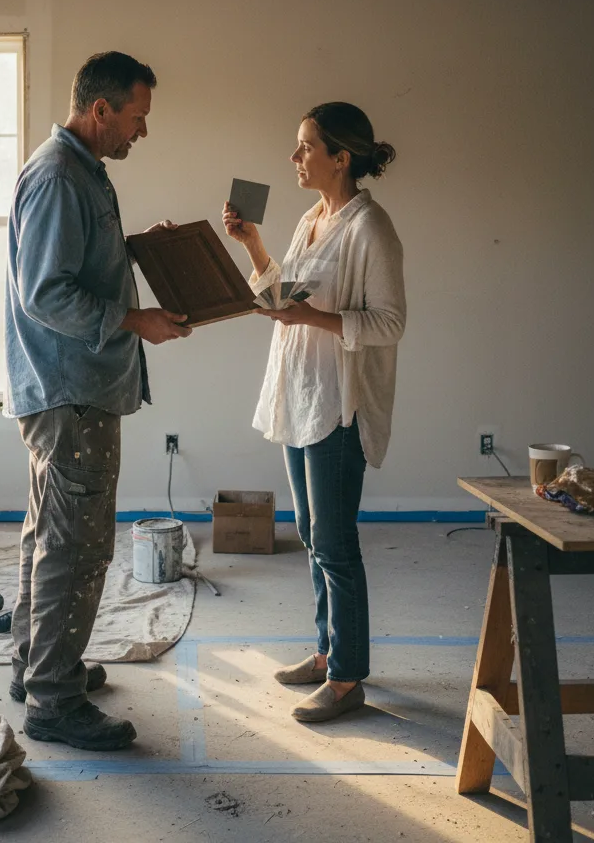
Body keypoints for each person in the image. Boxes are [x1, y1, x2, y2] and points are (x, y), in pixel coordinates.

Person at [5, 50, 190, 751]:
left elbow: (81, 264)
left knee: (47, 534)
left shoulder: (83, 172)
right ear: (101, 110)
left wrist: (143, 250)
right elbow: (46, 292)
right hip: (70, 389)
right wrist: (134, 320)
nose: (141, 132)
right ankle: (54, 701)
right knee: (77, 548)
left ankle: (37, 667)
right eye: (136, 119)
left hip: (65, 388)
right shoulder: (58, 177)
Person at [223, 101, 406, 723]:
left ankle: (349, 676)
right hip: (298, 394)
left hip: (337, 406)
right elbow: (282, 297)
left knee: (334, 541)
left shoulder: (369, 228)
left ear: (340, 157)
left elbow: (389, 322)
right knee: (310, 537)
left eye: (305, 147)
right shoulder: (312, 219)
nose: (295, 157)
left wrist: (312, 317)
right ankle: (330, 654)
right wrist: (252, 244)